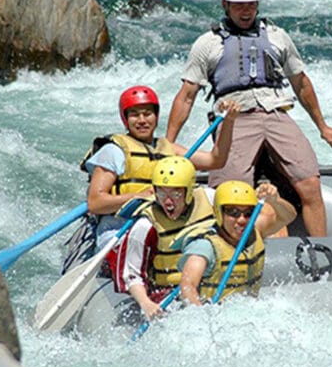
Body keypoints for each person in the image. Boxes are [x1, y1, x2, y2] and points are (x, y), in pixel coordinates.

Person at [166, 0, 332, 237]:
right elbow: (187, 95)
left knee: (309, 182)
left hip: (275, 112)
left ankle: (324, 250)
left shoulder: (277, 36)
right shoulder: (207, 44)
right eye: (239, 5)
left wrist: (323, 126)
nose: (246, 11)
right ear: (225, 5)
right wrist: (169, 142)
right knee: (230, 192)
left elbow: (301, 83)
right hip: (235, 118)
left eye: (251, 5)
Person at [82, 85, 238, 253]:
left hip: (162, 227)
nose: (142, 120)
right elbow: (95, 203)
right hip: (121, 230)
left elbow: (215, 160)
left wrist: (228, 122)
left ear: (156, 117)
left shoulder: (167, 148)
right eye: (134, 115)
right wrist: (138, 197)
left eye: (147, 114)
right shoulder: (114, 151)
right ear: (125, 119)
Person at [113, 156, 220, 320]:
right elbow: (131, 274)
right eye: (161, 192)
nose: (168, 202)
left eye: (176, 193)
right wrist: (146, 303)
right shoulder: (145, 226)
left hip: (210, 286)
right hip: (167, 295)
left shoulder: (210, 199)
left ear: (189, 191)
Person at [177, 180, 296, 305]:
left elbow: (287, 217)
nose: (241, 220)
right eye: (233, 213)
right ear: (218, 212)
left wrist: (275, 200)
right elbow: (188, 285)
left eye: (248, 213)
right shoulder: (205, 246)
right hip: (214, 313)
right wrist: (200, 316)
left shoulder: (256, 229)